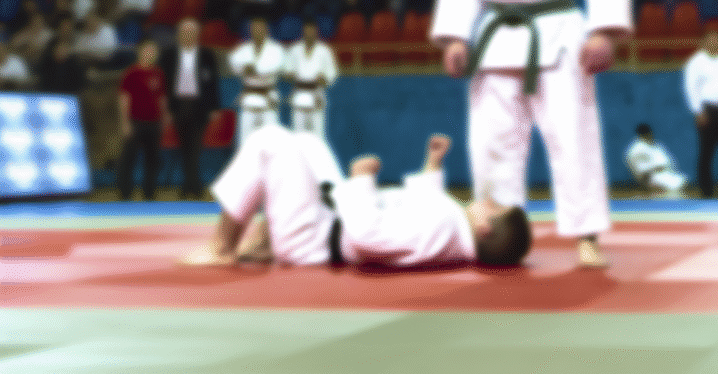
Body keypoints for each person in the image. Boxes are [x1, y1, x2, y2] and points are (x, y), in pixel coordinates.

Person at [430, 0, 633, 268]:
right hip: (496, 36)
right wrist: (457, 35)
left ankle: (587, 233)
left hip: (559, 30)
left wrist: (602, 31)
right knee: (492, 143)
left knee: (573, 138)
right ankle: (498, 237)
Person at [178, 124, 531, 269]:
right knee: (306, 142)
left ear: (486, 227)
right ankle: (263, 240)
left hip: (314, 238)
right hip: (329, 217)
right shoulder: (451, 227)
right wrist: (432, 166)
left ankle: (223, 247)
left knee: (270, 139)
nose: (487, 201)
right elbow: (422, 207)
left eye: (494, 208)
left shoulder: (445, 229)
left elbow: (368, 236)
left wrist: (362, 181)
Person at [159, 18, 221, 199]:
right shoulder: (169, 55)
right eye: (185, 33)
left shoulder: (207, 55)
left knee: (194, 148)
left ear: (198, 35)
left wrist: (214, 107)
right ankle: (192, 186)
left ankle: (192, 187)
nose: (188, 36)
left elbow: (213, 83)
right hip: (178, 105)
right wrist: (167, 110)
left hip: (199, 106)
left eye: (192, 33)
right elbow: (164, 84)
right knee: (185, 148)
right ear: (178, 35)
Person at [683, 28, 718, 199]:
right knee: (707, 151)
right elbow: (691, 88)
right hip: (708, 111)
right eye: (712, 40)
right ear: (704, 42)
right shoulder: (696, 62)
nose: (716, 43)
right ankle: (706, 190)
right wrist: (698, 111)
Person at [116, 38, 168, 201]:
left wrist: (164, 117)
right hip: (135, 121)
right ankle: (125, 192)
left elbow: (162, 97)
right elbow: (124, 98)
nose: (150, 54)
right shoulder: (131, 73)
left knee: (152, 158)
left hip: (153, 121)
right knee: (128, 158)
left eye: (153, 51)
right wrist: (125, 122)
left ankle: (149, 192)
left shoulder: (158, 73)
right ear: (140, 53)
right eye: (147, 51)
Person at [228, 15, 286, 146]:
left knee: (270, 141)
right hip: (249, 98)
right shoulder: (244, 49)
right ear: (250, 31)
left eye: (260, 29)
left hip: (268, 98)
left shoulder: (276, 49)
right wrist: (245, 68)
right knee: (245, 141)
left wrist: (252, 69)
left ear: (267, 30)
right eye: (254, 29)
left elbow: (274, 67)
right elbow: (233, 63)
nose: (257, 32)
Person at [285, 16, 337, 138]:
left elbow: (332, 74)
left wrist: (323, 78)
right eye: (306, 30)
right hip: (299, 95)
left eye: (312, 30)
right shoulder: (294, 49)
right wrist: (291, 75)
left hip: (316, 95)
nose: (309, 33)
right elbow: (287, 72)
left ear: (316, 31)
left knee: (318, 136)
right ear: (302, 31)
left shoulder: (325, 50)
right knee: (298, 136)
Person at [624, 123, 687, 196]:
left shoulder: (655, 145)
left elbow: (665, 161)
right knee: (674, 188)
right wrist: (646, 183)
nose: (650, 134)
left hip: (665, 173)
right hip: (652, 177)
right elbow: (638, 170)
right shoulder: (636, 149)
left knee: (682, 183)